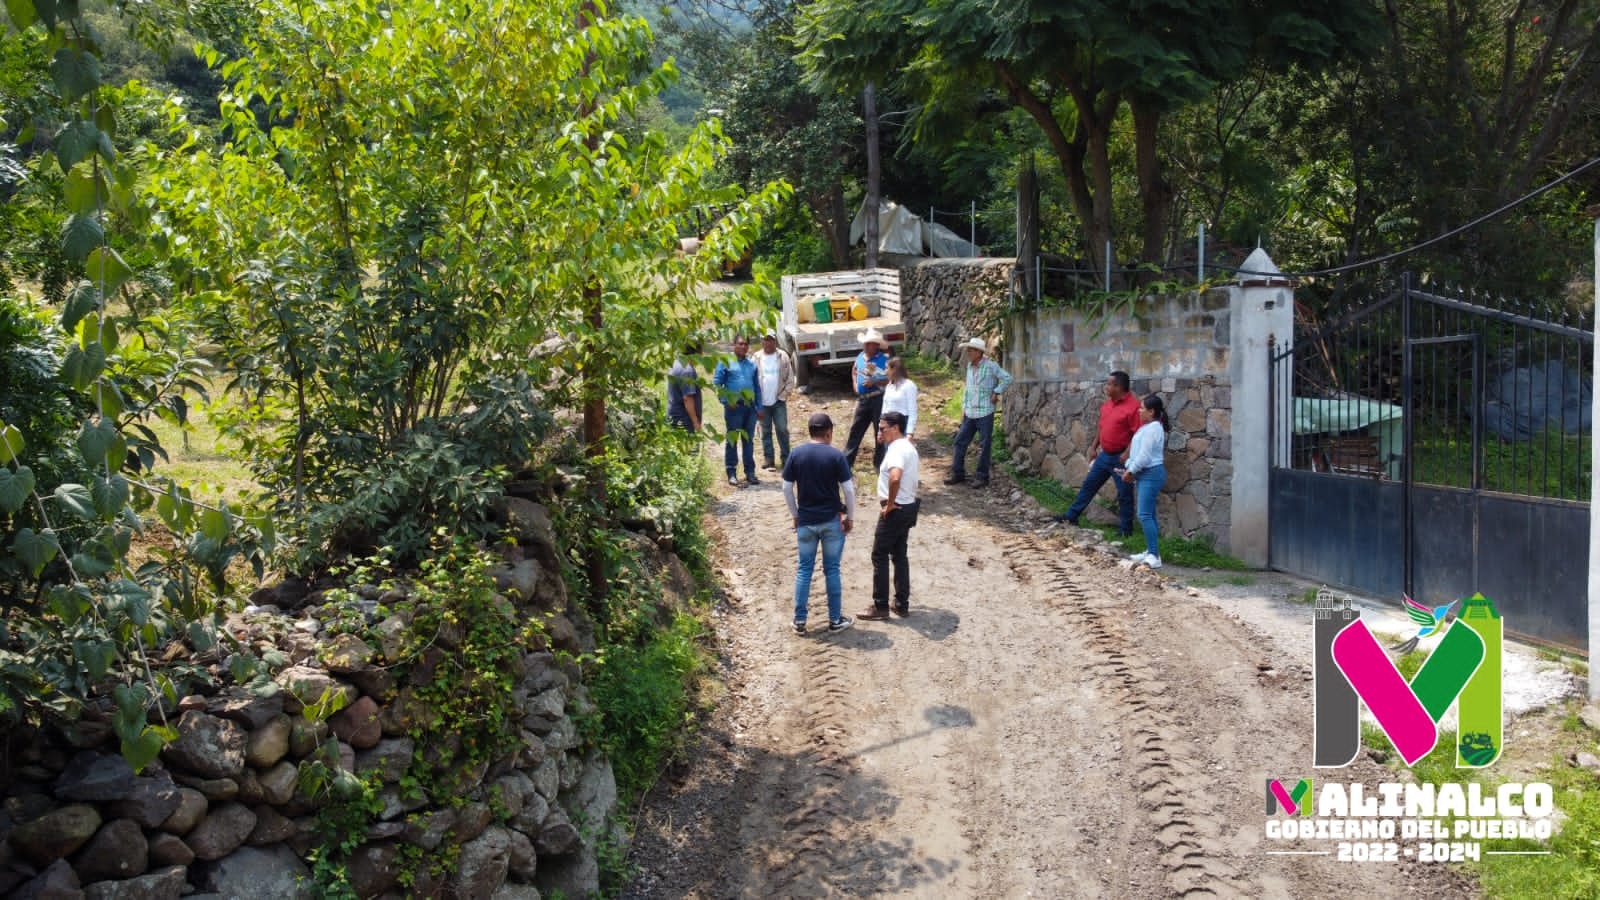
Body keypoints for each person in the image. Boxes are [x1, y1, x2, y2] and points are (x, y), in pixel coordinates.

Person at [781, 413, 857, 635]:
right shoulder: (835, 456)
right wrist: (850, 517)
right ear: (828, 432)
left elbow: (786, 488)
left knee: (804, 570)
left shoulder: (796, 453)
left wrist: (795, 514)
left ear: (809, 431)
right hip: (831, 522)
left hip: (806, 522)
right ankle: (835, 620)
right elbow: (849, 489)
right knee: (832, 569)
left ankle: (800, 621)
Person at [1058, 371, 1141, 535]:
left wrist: (1127, 453)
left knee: (1124, 493)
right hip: (1104, 455)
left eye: (1109, 384)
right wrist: (1094, 447)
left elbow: (1138, 434)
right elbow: (1101, 427)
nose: (1106, 387)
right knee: (1089, 485)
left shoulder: (1134, 407)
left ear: (1119, 387)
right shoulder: (1107, 405)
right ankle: (1071, 516)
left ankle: (1126, 529)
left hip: (1121, 458)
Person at [860, 410, 920, 620]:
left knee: (879, 554)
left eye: (883, 428)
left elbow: (895, 478)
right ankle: (901, 604)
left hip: (896, 509)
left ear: (895, 428)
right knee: (899, 555)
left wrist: (890, 504)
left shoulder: (896, 450)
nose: (880, 432)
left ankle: (881, 606)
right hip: (908, 507)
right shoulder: (907, 447)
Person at [944, 337, 1012, 489]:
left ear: (979, 352)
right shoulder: (969, 366)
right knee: (960, 441)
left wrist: (996, 392)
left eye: (971, 350)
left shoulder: (990, 366)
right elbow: (968, 388)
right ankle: (958, 473)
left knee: (984, 445)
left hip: (985, 411)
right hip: (970, 411)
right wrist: (963, 407)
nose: (968, 352)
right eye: (968, 349)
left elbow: (1007, 378)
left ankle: (982, 477)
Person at [1120, 394, 1171, 569]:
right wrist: (1128, 466)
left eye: (1142, 408)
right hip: (1145, 473)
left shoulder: (1153, 428)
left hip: (1151, 473)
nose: (1139, 410)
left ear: (1151, 411)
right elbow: (1138, 453)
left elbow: (1145, 455)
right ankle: (1151, 550)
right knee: (1149, 514)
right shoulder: (1148, 427)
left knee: (1144, 515)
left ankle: (1154, 556)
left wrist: (1131, 470)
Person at [712, 336, 763, 487]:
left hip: (750, 408)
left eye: (746, 344)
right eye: (740, 344)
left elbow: (757, 387)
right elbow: (717, 384)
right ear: (734, 345)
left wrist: (759, 407)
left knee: (748, 440)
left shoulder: (751, 365)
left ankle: (750, 472)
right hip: (734, 408)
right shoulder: (725, 362)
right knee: (732, 440)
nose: (743, 347)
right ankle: (732, 473)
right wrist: (726, 401)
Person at [843, 328, 890, 467]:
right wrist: (854, 385)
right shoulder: (860, 357)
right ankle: (846, 461)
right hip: (863, 399)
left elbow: (890, 379)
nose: (867, 346)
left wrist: (874, 382)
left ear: (876, 345)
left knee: (879, 431)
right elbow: (854, 370)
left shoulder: (884, 360)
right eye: (866, 343)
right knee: (856, 430)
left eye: (870, 343)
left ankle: (879, 462)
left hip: (878, 399)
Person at [753, 332, 794, 472]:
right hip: (762, 402)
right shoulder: (756, 357)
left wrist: (783, 395)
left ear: (775, 341)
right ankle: (769, 460)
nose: (768, 342)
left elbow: (790, 379)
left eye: (771, 339)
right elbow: (752, 379)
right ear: (761, 341)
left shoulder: (783, 356)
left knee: (782, 429)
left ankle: (786, 459)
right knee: (765, 431)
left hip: (778, 401)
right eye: (765, 339)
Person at [875, 356, 919, 470]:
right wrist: (881, 428)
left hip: (901, 424)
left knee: (901, 455)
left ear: (894, 369)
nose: (885, 371)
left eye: (886, 368)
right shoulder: (889, 386)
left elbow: (913, 410)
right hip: (888, 424)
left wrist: (909, 432)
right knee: (889, 453)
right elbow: (885, 408)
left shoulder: (909, 386)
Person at [665, 342, 702, 433]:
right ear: (696, 354)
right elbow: (687, 398)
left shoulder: (676, 363)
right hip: (683, 420)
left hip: (673, 415)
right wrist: (695, 422)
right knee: (690, 446)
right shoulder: (687, 371)